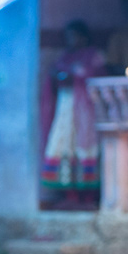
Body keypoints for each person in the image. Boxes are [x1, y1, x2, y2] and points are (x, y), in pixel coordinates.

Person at [42, 20, 106, 196]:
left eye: (75, 36)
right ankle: (70, 196)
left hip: (86, 108)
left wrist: (76, 74)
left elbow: (96, 76)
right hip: (65, 108)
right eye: (69, 36)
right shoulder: (64, 57)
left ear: (84, 36)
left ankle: (87, 197)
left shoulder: (93, 55)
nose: (72, 40)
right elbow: (55, 75)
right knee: (65, 144)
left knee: (86, 146)